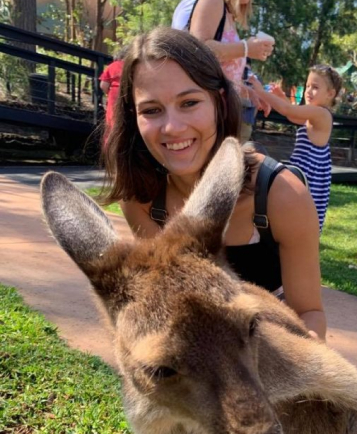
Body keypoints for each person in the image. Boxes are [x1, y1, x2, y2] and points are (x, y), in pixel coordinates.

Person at [102, 27, 326, 340]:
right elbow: (170, 297)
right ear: (133, 117)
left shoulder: (282, 195)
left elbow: (309, 313)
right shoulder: (141, 199)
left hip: (272, 344)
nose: (172, 127)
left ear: (219, 102)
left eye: (189, 103)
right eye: (151, 110)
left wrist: (305, 348)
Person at [188, 0, 274, 142]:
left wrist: (245, 90)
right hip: (207, 119)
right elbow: (197, 52)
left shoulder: (228, 14)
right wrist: (245, 48)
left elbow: (222, 71)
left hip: (221, 118)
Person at [249, 64, 342, 231]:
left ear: (330, 94)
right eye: (307, 86)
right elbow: (293, 115)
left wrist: (260, 91)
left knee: (300, 218)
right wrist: (282, 96)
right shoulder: (312, 113)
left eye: (315, 87)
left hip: (310, 179)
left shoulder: (321, 114)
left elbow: (288, 109)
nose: (308, 91)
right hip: (302, 174)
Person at [99, 47, 126, 135]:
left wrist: (108, 93)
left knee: (111, 121)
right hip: (129, 93)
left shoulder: (112, 66)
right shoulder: (133, 67)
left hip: (114, 94)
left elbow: (103, 85)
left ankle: (110, 146)